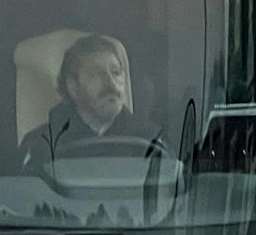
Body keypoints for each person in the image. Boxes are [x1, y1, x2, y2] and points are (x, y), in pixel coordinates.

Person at [19, 34, 163, 174]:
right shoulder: (41, 145)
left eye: (116, 73)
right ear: (73, 86)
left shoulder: (151, 140)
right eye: (98, 74)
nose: (111, 84)